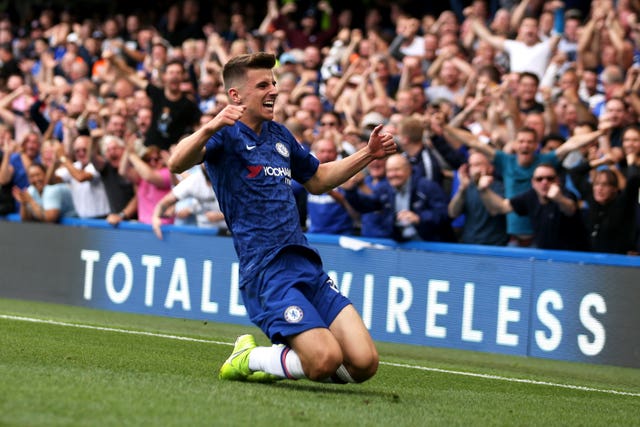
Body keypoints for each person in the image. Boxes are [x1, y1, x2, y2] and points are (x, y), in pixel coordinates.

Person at [168, 52, 396, 384]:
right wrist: (212, 124)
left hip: (305, 264)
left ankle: (279, 361)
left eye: (273, 83)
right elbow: (176, 162)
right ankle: (249, 357)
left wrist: (368, 154)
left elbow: (317, 180)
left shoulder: (279, 135)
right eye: (262, 85)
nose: (273, 90)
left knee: (364, 364)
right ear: (236, 96)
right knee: (325, 360)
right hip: (266, 271)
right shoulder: (224, 135)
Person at [344, 153, 454, 242]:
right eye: (389, 171)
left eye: (396, 170)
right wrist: (350, 192)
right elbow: (367, 205)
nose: (392, 175)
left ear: (408, 169)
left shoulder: (427, 187)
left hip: (430, 246)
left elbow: (445, 214)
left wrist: (419, 218)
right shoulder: (385, 188)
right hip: (400, 246)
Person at [477, 163, 589, 251]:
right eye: (539, 179)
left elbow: (570, 209)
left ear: (557, 181)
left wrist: (559, 199)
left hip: (572, 257)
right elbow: (501, 207)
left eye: (550, 178)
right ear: (533, 183)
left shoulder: (566, 194)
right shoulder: (531, 196)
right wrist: (484, 190)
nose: (544, 182)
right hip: (544, 256)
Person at [448, 150, 509, 245]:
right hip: (469, 244)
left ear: (490, 168)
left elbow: (495, 210)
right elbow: (453, 213)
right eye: (471, 165)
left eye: (478, 164)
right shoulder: (467, 188)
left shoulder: (500, 187)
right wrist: (461, 190)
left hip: (495, 245)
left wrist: (484, 189)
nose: (474, 169)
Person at [151, 163, 225, 239]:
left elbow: (238, 209)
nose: (208, 165)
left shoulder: (230, 178)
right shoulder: (194, 180)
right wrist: (156, 217)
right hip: (205, 234)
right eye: (205, 161)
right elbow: (166, 202)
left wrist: (221, 216)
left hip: (230, 233)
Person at [306, 138, 357, 235]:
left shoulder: (347, 175)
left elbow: (354, 210)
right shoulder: (307, 175)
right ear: (316, 153)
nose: (326, 155)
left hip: (341, 235)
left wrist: (329, 190)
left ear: (336, 154)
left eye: (330, 151)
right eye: (322, 151)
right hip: (314, 235)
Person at [54, 136, 111, 219]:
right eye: (77, 151)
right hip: (81, 220)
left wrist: (63, 158)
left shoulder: (98, 165)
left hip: (101, 219)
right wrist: (55, 160)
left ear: (91, 150)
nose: (81, 153)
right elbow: (51, 181)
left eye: (85, 150)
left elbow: (80, 177)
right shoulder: (74, 166)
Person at [11, 163, 76, 223]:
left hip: (76, 225)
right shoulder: (30, 190)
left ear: (45, 175)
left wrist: (31, 201)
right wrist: (24, 204)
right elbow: (25, 219)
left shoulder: (53, 189)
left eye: (38, 175)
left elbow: (49, 219)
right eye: (32, 176)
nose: (36, 179)